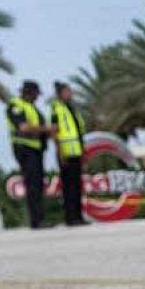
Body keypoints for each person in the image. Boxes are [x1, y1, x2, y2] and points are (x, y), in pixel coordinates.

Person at [6, 80, 57, 228]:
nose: (37, 97)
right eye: (35, 94)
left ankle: (40, 218)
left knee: (39, 184)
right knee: (33, 184)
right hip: (25, 149)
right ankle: (36, 220)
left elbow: (38, 128)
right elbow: (23, 127)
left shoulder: (32, 108)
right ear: (29, 92)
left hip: (36, 149)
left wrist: (47, 133)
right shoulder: (16, 106)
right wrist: (47, 129)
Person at [49, 81, 89, 226]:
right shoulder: (56, 109)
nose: (70, 94)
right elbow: (54, 131)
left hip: (77, 152)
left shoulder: (73, 109)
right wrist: (60, 152)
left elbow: (79, 132)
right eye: (67, 91)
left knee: (77, 186)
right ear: (60, 94)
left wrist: (84, 150)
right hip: (65, 154)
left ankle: (78, 216)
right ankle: (70, 217)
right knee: (68, 187)